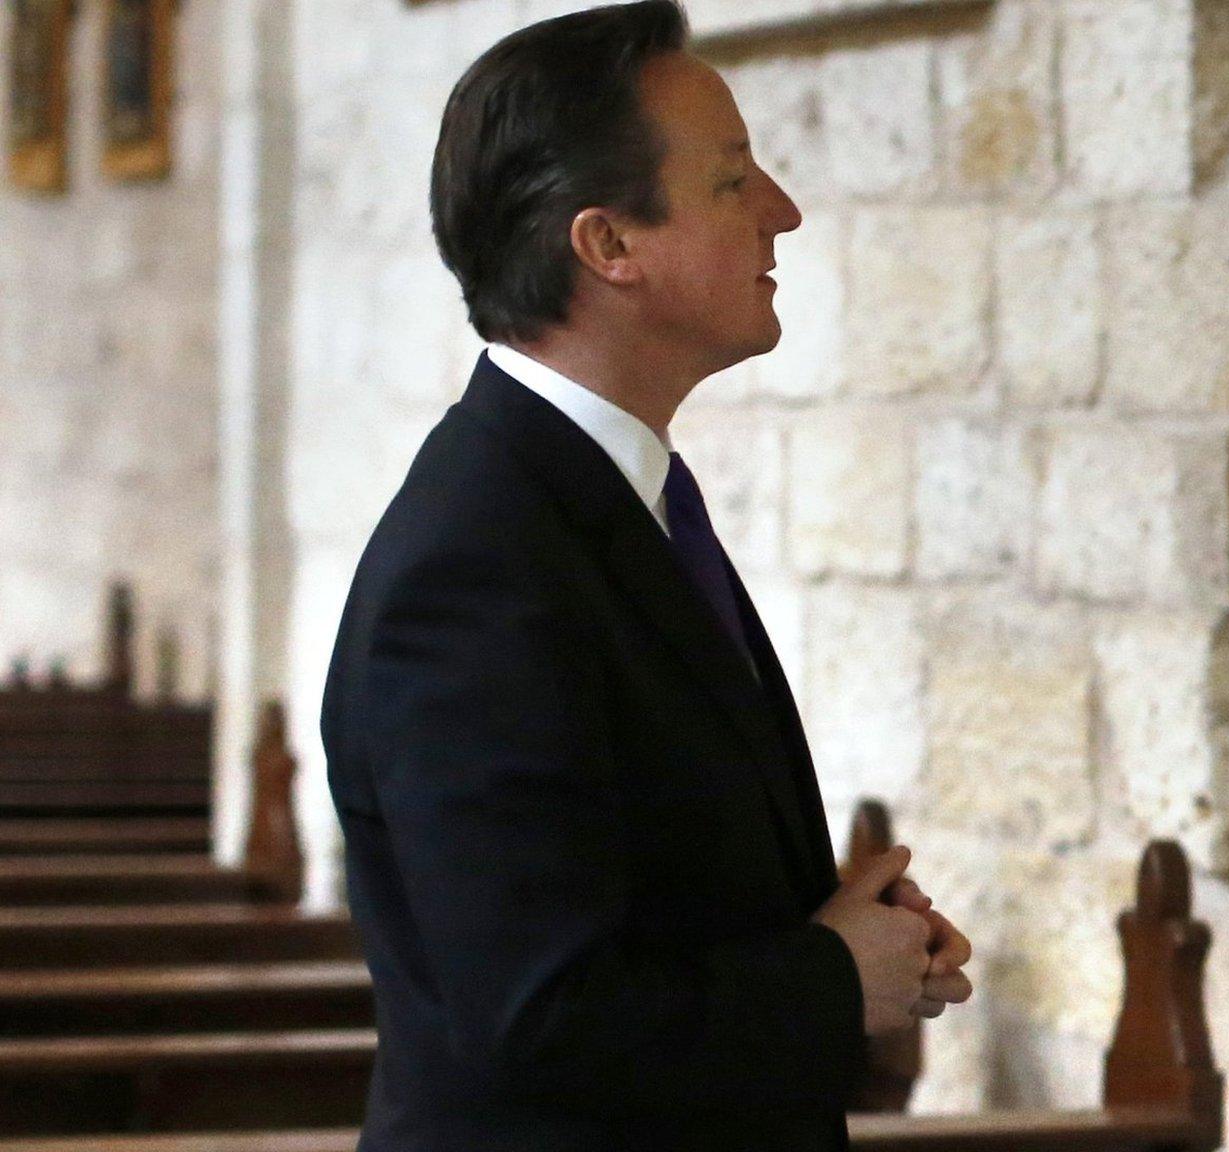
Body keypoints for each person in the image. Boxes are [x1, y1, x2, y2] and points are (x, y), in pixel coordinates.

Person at [320, 4, 972, 1149]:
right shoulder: (475, 569)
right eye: (731, 183)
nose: (783, 211)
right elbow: (541, 1017)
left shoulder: (608, 497)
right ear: (607, 246)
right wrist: (827, 979)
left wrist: (845, 939)